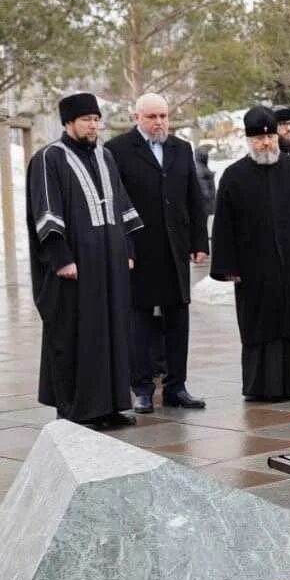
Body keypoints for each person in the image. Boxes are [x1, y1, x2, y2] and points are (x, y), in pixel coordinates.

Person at [26, 93, 144, 426]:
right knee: (77, 336)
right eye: (85, 120)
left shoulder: (105, 156)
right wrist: (61, 259)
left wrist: (129, 251)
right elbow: (46, 212)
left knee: (111, 333)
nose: (93, 126)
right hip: (75, 267)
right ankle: (79, 409)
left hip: (109, 264)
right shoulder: (50, 158)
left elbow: (122, 206)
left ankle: (109, 406)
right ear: (69, 123)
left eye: (96, 119)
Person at [211, 107, 290, 400]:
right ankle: (261, 387)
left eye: (270, 137)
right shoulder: (234, 176)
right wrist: (228, 266)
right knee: (260, 327)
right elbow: (224, 224)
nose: (266, 143)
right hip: (253, 269)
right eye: (259, 138)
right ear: (249, 140)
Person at [104, 93, 209, 414]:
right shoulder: (117, 150)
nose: (159, 122)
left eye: (163, 116)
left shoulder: (180, 148)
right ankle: (142, 388)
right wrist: (125, 247)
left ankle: (177, 386)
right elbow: (115, 203)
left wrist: (199, 242)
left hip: (175, 248)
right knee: (140, 319)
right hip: (140, 248)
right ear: (137, 117)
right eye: (152, 117)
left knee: (178, 317)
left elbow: (194, 198)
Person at [194, 144, 216, 218]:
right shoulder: (199, 168)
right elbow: (203, 186)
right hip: (204, 203)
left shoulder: (202, 166)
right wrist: (209, 196)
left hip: (205, 202)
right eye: (205, 155)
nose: (207, 157)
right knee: (203, 222)